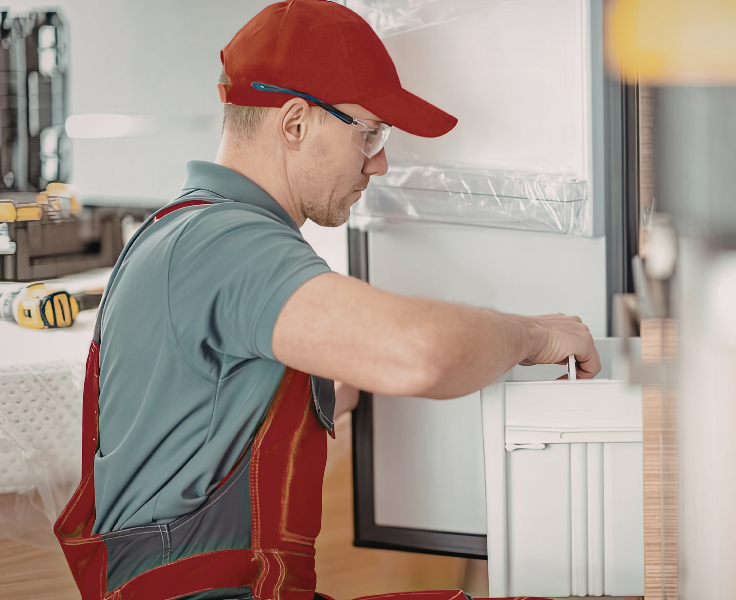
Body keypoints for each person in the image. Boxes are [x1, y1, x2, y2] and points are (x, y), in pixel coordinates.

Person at [54, 2, 600, 599]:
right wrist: (534, 336)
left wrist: (330, 393)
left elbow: (221, 420)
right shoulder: (227, 243)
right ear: (293, 124)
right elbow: (421, 354)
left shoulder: (188, 232)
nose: (382, 162)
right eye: (369, 134)